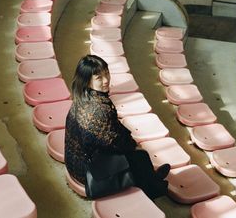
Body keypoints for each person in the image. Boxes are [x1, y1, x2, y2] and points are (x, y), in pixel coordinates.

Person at [64, 54, 170, 199]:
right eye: (99, 78)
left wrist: (129, 140)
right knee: (140, 157)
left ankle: (151, 178)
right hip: (87, 171)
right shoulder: (99, 110)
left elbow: (112, 130)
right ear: (86, 81)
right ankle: (154, 189)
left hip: (74, 161)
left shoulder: (82, 97)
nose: (106, 80)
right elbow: (113, 144)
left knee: (136, 153)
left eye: (106, 73)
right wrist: (133, 145)